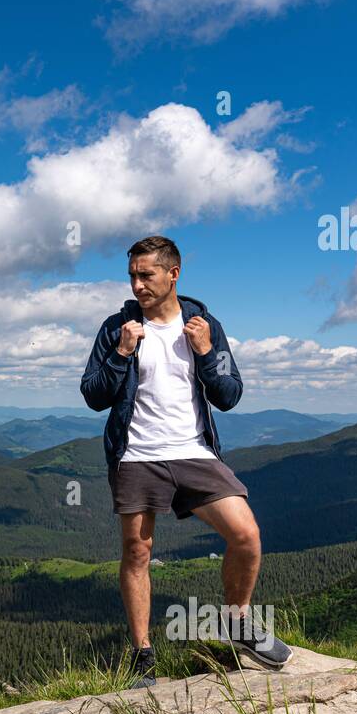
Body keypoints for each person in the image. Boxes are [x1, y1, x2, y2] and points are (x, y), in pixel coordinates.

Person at [79, 235, 291, 688]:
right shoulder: (117, 327)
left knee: (246, 535)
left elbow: (229, 396)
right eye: (132, 275)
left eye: (146, 275)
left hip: (194, 451)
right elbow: (93, 395)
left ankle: (236, 623)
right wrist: (121, 353)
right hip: (137, 454)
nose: (137, 285)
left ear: (173, 274)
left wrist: (207, 352)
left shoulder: (203, 323)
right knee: (137, 551)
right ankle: (142, 656)